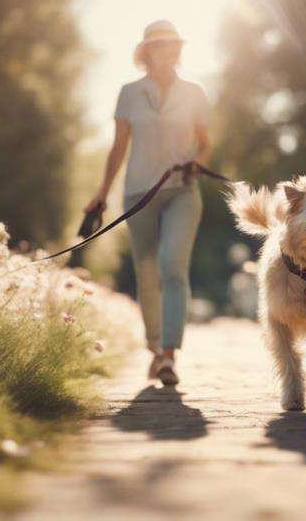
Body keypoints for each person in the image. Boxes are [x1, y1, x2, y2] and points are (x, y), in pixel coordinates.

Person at [84, 20, 211, 386]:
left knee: (173, 265)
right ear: (146, 51)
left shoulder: (194, 92)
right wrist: (102, 192)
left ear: (179, 49)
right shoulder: (129, 93)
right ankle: (154, 350)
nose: (166, 50)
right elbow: (118, 147)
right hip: (139, 192)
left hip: (182, 190)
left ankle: (170, 354)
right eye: (158, 44)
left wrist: (198, 162)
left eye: (172, 44)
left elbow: (204, 143)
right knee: (148, 273)